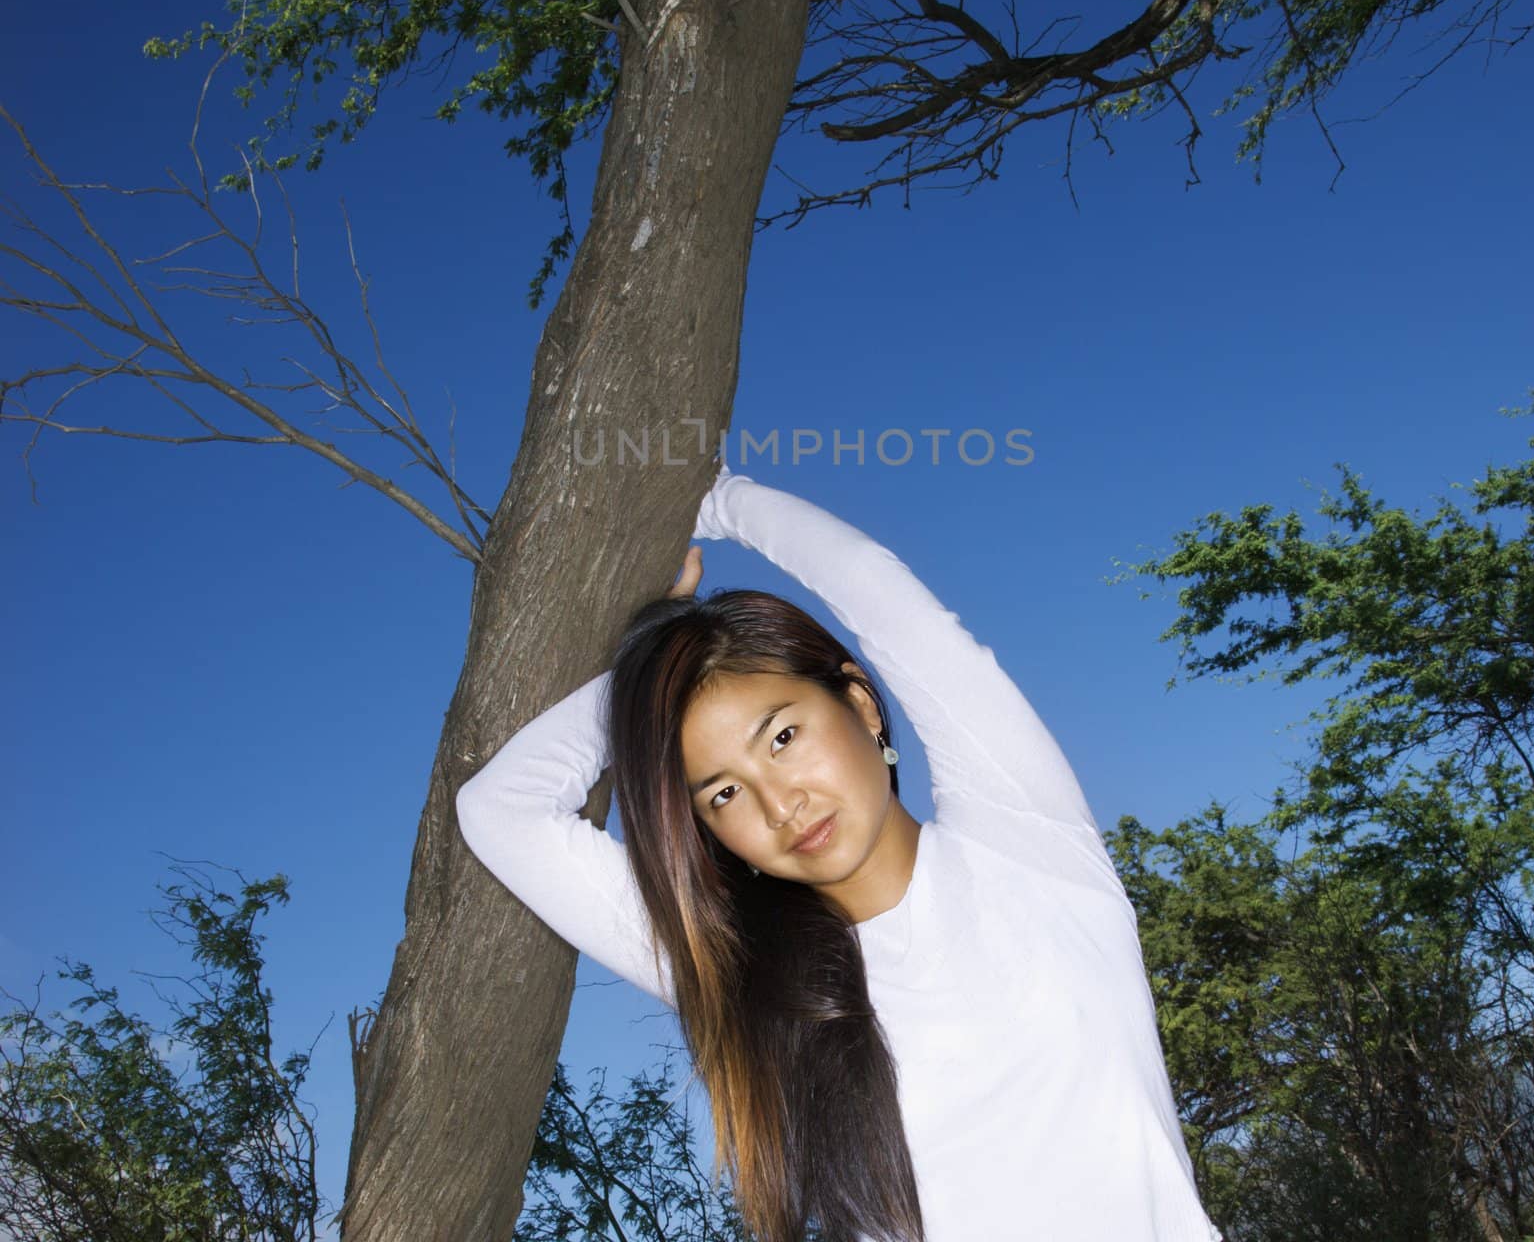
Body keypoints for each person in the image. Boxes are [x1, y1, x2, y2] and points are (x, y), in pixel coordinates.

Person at [456, 465, 1223, 1242]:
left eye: (783, 738)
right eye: (722, 793)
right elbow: (500, 809)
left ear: (860, 705)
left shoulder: (1025, 843)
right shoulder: (743, 970)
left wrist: (718, 500)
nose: (778, 804)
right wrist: (651, 668)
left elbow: (873, 587)